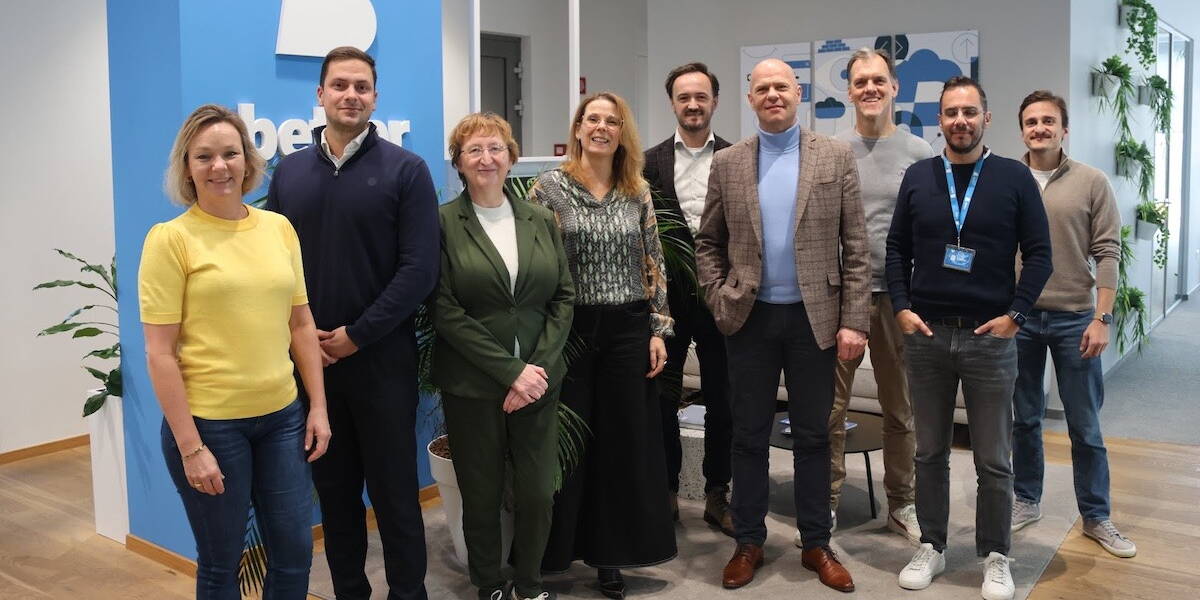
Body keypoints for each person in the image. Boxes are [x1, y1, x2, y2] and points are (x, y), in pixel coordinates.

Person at [266, 46, 439, 600]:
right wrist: (308, 342)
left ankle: (407, 593)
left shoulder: (406, 170)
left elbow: (419, 270)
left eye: (361, 87)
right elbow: (272, 266)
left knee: (394, 497)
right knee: (335, 498)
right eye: (339, 85)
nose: (350, 95)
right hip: (312, 369)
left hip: (383, 363)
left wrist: (356, 335)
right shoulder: (289, 173)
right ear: (319, 95)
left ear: (375, 97)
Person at [140, 103, 331, 599]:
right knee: (222, 565)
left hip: (282, 419)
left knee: (293, 555)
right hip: (209, 426)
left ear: (248, 160)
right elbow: (160, 353)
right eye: (204, 157)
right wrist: (191, 448)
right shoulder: (171, 240)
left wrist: (318, 407)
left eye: (230, 153)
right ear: (187, 166)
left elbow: (301, 323)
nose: (219, 166)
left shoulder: (278, 229)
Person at [696, 58, 869, 593]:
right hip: (749, 319)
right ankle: (748, 541)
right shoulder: (728, 162)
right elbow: (708, 241)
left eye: (782, 86)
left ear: (799, 93)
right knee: (747, 435)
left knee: (815, 435)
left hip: (815, 320)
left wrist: (853, 321)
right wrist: (719, 295)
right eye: (762, 88)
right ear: (750, 98)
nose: (773, 94)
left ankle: (817, 542)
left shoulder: (834, 156)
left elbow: (857, 247)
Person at [886, 77, 1052, 600]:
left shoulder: (1013, 178)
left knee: (994, 458)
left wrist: (1017, 316)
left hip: (990, 339)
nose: (960, 121)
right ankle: (933, 544)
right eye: (951, 113)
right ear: (939, 120)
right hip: (928, 335)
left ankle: (995, 554)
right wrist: (902, 308)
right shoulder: (919, 176)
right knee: (930, 450)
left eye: (970, 112)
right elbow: (895, 250)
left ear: (987, 118)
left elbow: (1041, 254)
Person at [535, 91, 677, 599]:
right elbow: (536, 266)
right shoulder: (548, 189)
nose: (601, 128)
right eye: (592, 119)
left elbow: (653, 260)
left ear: (622, 132)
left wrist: (658, 329)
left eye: (611, 121)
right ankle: (555, 552)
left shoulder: (636, 190)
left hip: (627, 330)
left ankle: (610, 559)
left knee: (623, 445)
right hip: (569, 332)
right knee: (568, 442)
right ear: (577, 128)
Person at [432, 112, 575, 600]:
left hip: (540, 380)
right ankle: (489, 583)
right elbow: (446, 311)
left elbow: (563, 297)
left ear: (512, 157)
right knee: (481, 493)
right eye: (474, 150)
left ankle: (530, 583)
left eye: (495, 148)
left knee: (536, 493)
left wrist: (535, 372)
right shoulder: (444, 224)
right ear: (459, 163)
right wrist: (510, 371)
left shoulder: (539, 219)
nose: (486, 158)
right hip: (473, 385)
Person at [1010, 90, 1134, 557]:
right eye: (1031, 121)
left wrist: (1102, 318)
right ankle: (1026, 499)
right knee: (1024, 419)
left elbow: (1108, 253)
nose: (1039, 128)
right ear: (1021, 128)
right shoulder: (1007, 178)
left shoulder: (1091, 181)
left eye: (1048, 120)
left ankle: (1097, 516)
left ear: (1064, 128)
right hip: (1019, 317)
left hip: (1075, 319)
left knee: (1085, 426)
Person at [828, 47, 933, 542]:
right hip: (840, 297)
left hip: (899, 298)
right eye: (860, 81)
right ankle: (824, 504)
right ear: (848, 91)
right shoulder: (828, 152)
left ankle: (902, 504)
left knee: (901, 409)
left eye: (879, 81)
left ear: (894, 87)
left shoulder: (919, 154)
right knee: (829, 409)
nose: (869, 88)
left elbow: (932, 230)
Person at [642, 62, 734, 535]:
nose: (693, 104)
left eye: (701, 96)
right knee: (662, 397)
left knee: (724, 399)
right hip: (667, 303)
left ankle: (719, 493)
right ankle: (667, 491)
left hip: (722, 299)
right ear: (673, 103)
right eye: (684, 97)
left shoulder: (740, 157)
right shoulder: (648, 162)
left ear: (715, 101)